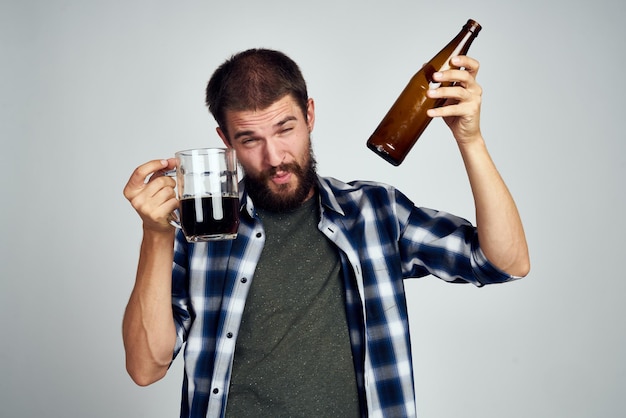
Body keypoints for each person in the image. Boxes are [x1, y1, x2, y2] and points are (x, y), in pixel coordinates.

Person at [122, 48, 530, 418]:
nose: (275, 157)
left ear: (310, 115)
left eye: (285, 129)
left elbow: (505, 263)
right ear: (225, 141)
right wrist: (155, 234)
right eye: (250, 140)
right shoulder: (202, 234)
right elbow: (145, 367)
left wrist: (469, 139)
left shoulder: (375, 213)